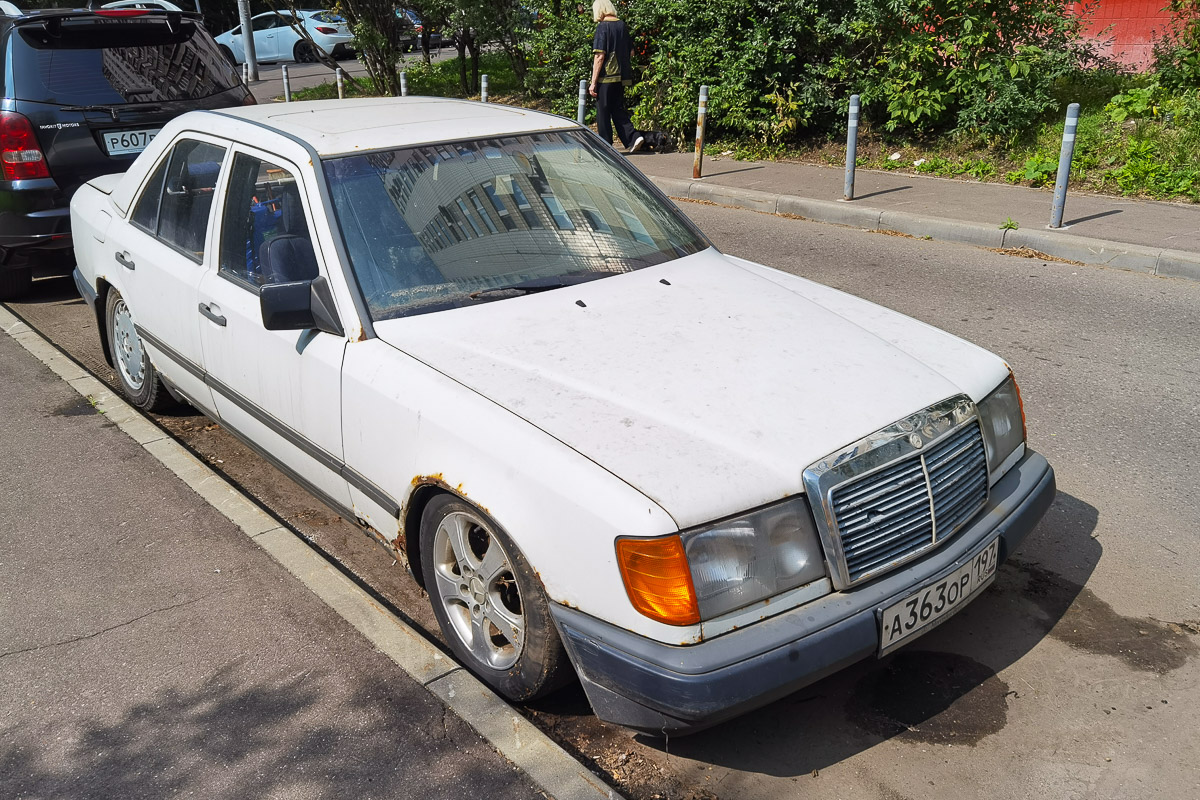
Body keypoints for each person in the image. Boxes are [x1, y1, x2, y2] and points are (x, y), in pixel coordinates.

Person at [588, 0, 643, 153]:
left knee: (603, 111)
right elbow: (631, 52)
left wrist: (593, 83)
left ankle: (605, 146)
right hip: (621, 76)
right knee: (617, 108)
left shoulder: (602, 27)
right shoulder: (622, 25)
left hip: (606, 76)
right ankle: (633, 137)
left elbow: (599, 56)